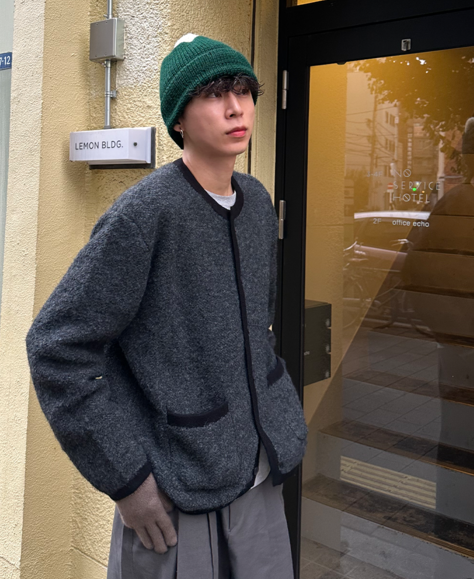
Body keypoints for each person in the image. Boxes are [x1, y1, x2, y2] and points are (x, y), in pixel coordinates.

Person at [25, 33, 308, 579]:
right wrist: (126, 479)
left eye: (244, 91)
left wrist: (277, 411)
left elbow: (258, 324)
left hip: (260, 475)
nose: (236, 108)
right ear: (179, 118)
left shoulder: (256, 204)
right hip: (177, 487)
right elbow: (56, 347)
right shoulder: (144, 214)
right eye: (215, 94)